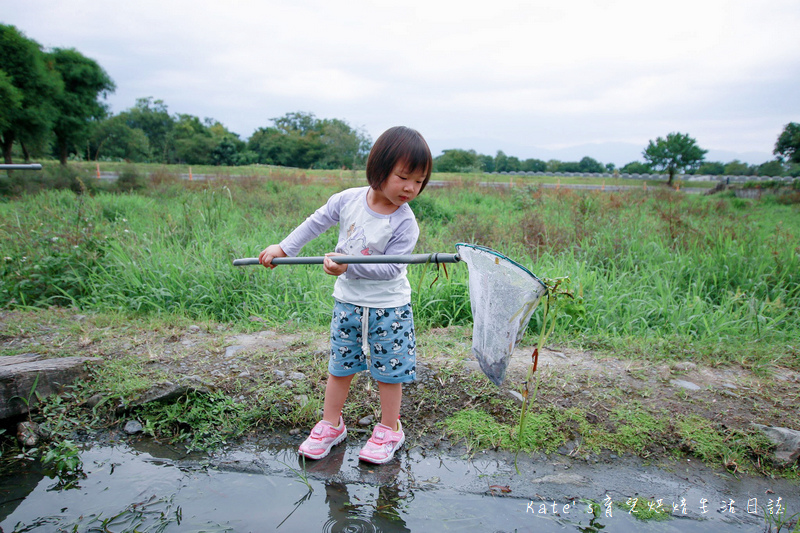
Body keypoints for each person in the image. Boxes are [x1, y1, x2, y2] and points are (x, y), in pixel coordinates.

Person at [259, 126, 432, 465]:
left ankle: (389, 429)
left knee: (388, 372)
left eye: (420, 181)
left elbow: (391, 269)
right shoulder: (347, 200)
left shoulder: (405, 222)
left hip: (388, 308)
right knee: (341, 366)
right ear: (379, 169)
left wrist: (348, 266)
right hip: (348, 303)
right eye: (403, 177)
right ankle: (331, 424)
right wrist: (283, 248)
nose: (411, 188)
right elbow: (314, 223)